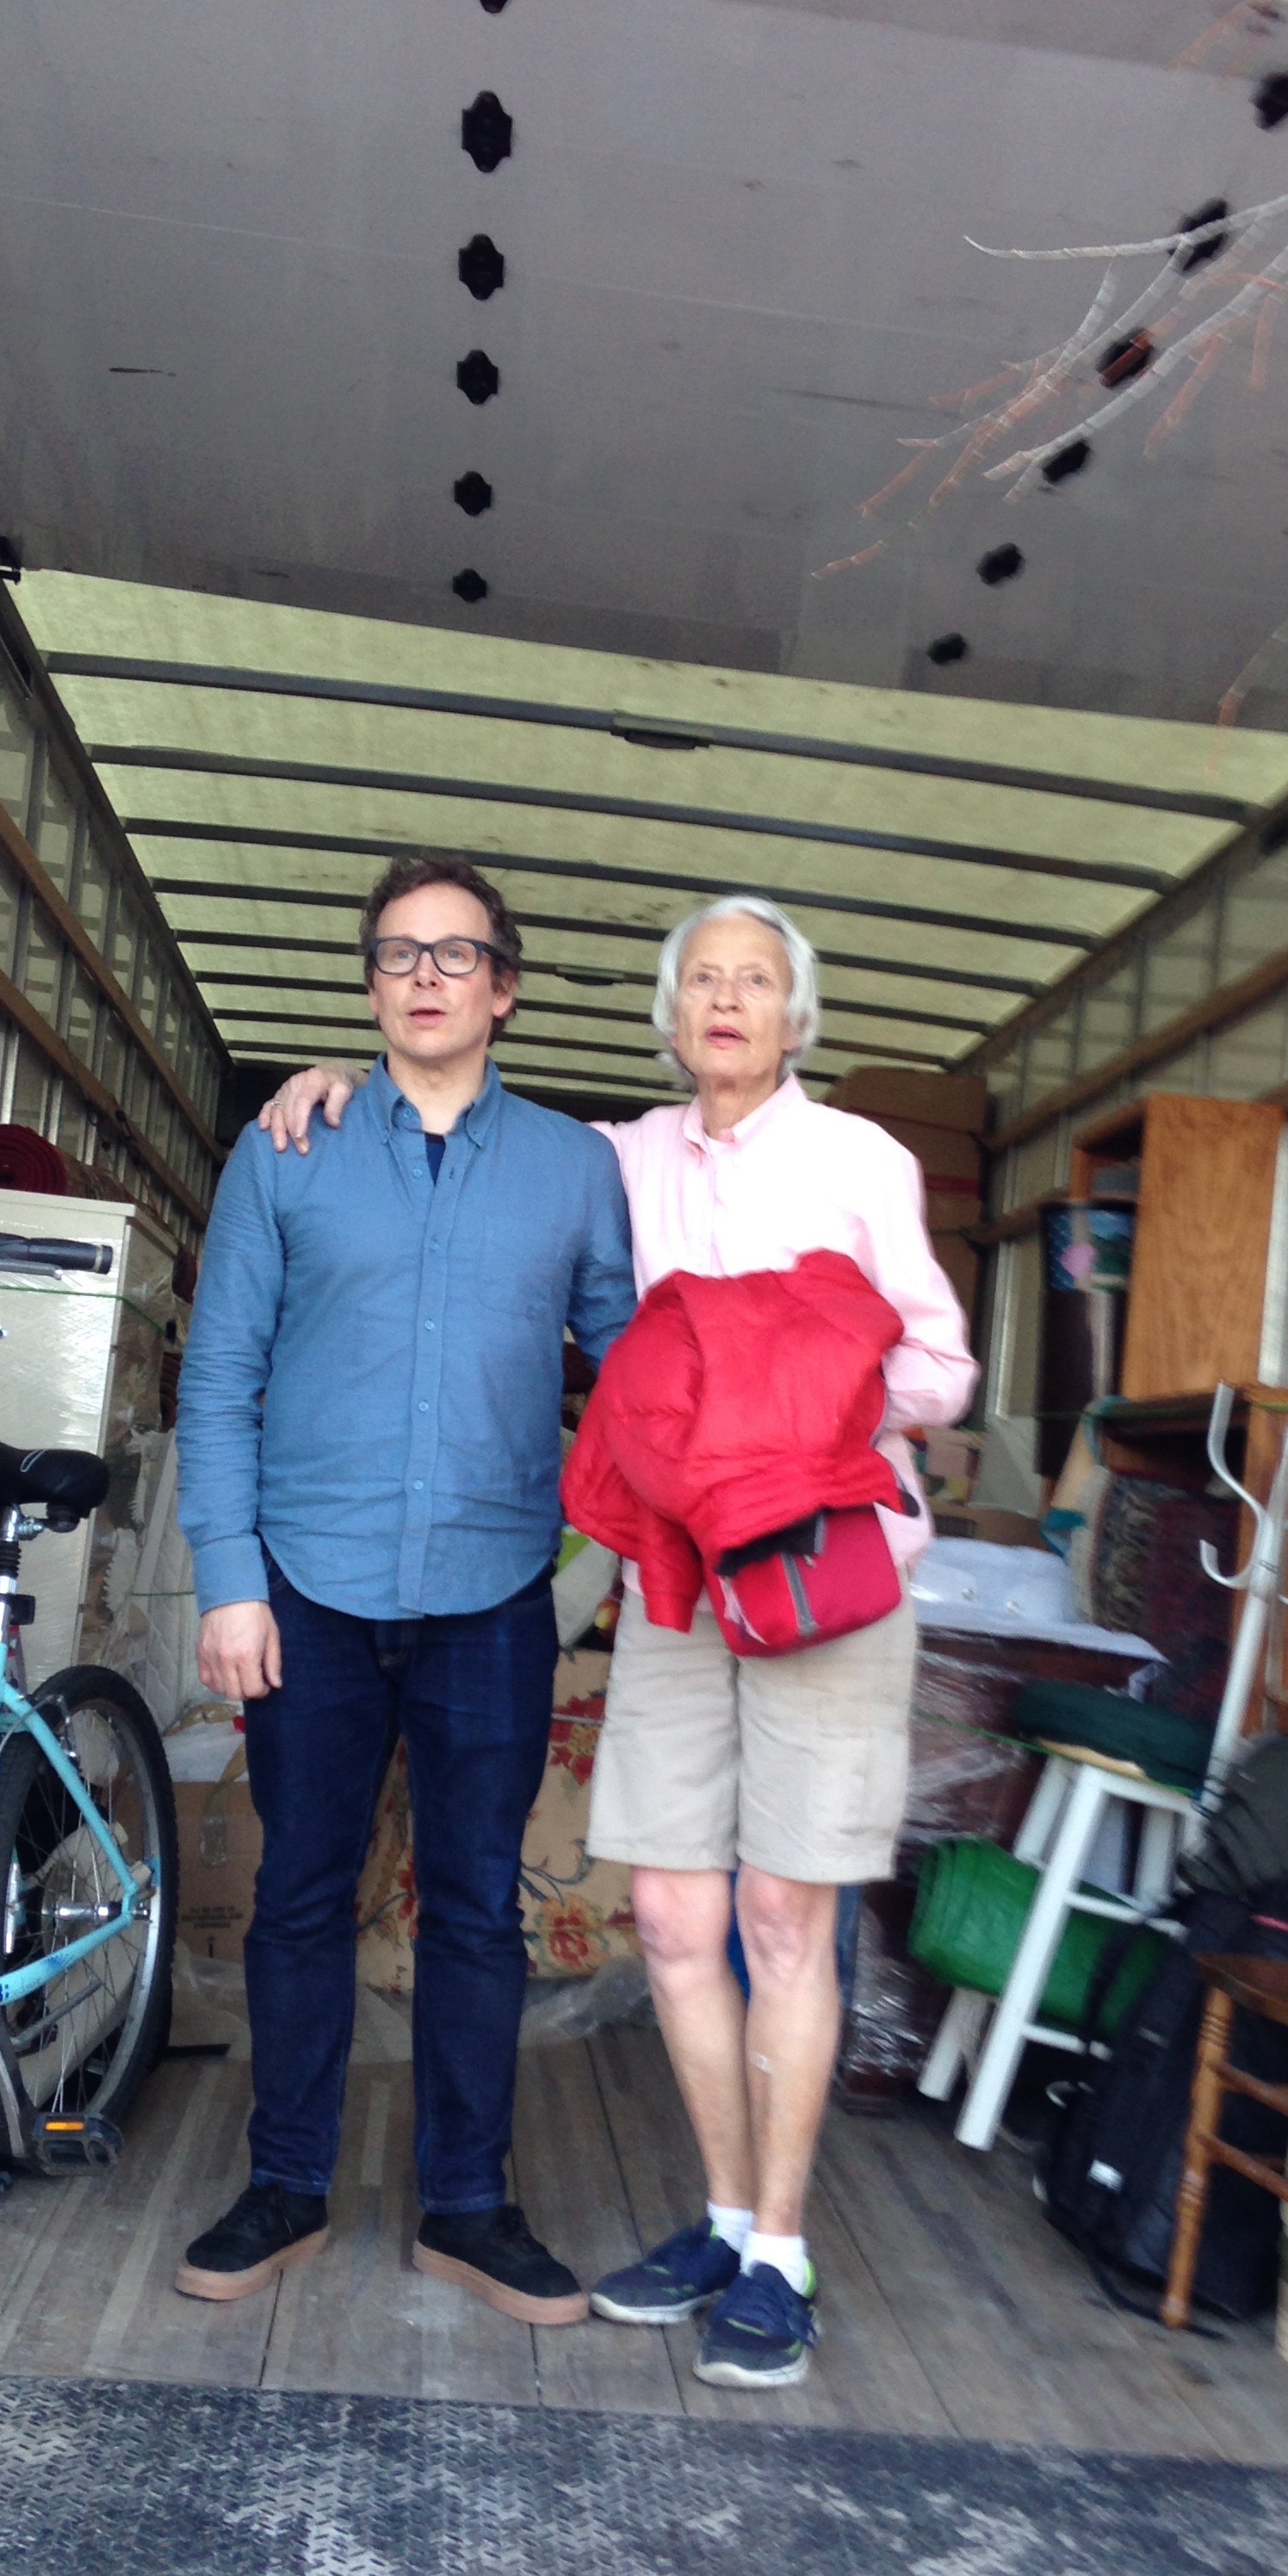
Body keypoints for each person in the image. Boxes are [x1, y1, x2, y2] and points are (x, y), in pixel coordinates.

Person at [257, 893, 975, 2388]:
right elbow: (459, 1132)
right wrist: (328, 1083)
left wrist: (792, 1400)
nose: (728, 1001)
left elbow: (942, 1368)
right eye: (703, 979)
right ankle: (723, 2220)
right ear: (670, 1012)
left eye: (756, 980)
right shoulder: (615, 1162)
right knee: (671, 1916)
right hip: (679, 1582)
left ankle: (781, 2254)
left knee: (785, 1919)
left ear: (795, 1012)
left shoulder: (864, 1161)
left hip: (827, 1572)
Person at [175, 852, 636, 2322]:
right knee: (301, 1895)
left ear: (505, 988)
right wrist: (228, 1581)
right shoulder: (287, 1150)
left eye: (456, 953)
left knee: (476, 1907)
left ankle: (469, 2207)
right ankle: (285, 2185)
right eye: (397, 952)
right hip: (307, 1581)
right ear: (371, 984)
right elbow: (219, 1376)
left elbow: (634, 1366)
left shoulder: (576, 1167)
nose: (425, 975)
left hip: (493, 1588)